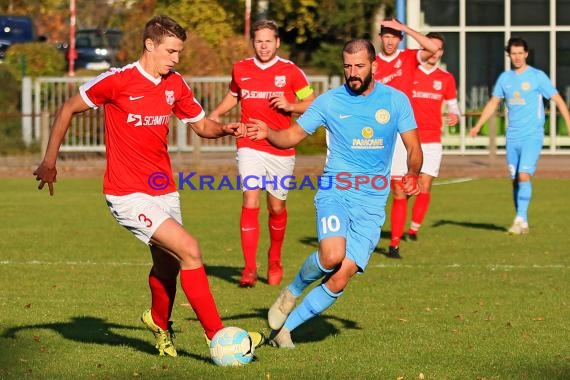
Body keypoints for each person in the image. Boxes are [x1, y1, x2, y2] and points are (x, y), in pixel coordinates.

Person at [33, 15, 262, 358]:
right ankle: (219, 337)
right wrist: (49, 162)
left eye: (179, 52)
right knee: (190, 249)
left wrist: (225, 129)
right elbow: (67, 109)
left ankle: (158, 322)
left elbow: (201, 125)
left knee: (169, 266)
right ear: (150, 45)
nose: (176, 58)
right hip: (126, 193)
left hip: (163, 188)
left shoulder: (175, 84)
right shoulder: (117, 81)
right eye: (171, 51)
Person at [246, 39, 422, 348]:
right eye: (348, 66)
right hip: (335, 190)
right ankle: (292, 291)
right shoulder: (329, 102)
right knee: (331, 256)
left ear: (374, 66)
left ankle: (285, 332)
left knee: (343, 275)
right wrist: (268, 134)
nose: (353, 73)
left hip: (372, 202)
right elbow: (291, 136)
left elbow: (414, 148)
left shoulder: (396, 101)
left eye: (359, 66)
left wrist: (412, 174)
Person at [209, 19, 315, 288]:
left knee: (276, 206)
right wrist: (217, 113)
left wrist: (290, 104)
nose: (264, 46)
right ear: (253, 42)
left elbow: (312, 103)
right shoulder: (241, 68)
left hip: (280, 147)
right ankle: (249, 268)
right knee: (250, 199)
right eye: (259, 41)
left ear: (277, 42)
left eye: (269, 41)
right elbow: (235, 94)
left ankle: (275, 258)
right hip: (249, 144)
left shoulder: (291, 71)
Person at [469, 36, 570, 234]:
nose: (517, 57)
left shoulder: (537, 76)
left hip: (532, 135)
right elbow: (493, 103)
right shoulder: (505, 79)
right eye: (513, 53)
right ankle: (521, 221)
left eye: (520, 53)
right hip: (512, 137)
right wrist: (478, 125)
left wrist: (568, 122)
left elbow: (558, 99)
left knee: (524, 175)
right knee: (515, 178)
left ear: (526, 54)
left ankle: (520, 218)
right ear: (509, 55)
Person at [388, 32, 461, 257]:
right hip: (405, 138)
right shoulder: (410, 72)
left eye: (438, 49)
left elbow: (453, 106)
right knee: (400, 191)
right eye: (431, 48)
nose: (433, 53)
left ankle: (413, 228)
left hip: (431, 141)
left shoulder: (446, 78)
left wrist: (454, 115)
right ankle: (394, 243)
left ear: (441, 53)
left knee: (424, 184)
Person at [373, 17, 437, 258]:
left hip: (400, 134)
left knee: (399, 190)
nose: (390, 40)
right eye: (386, 35)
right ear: (380, 38)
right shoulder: (372, 62)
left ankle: (394, 244)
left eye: (394, 36)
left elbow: (432, 48)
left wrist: (406, 28)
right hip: (375, 134)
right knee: (370, 187)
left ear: (400, 38)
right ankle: (360, 234)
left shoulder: (409, 57)